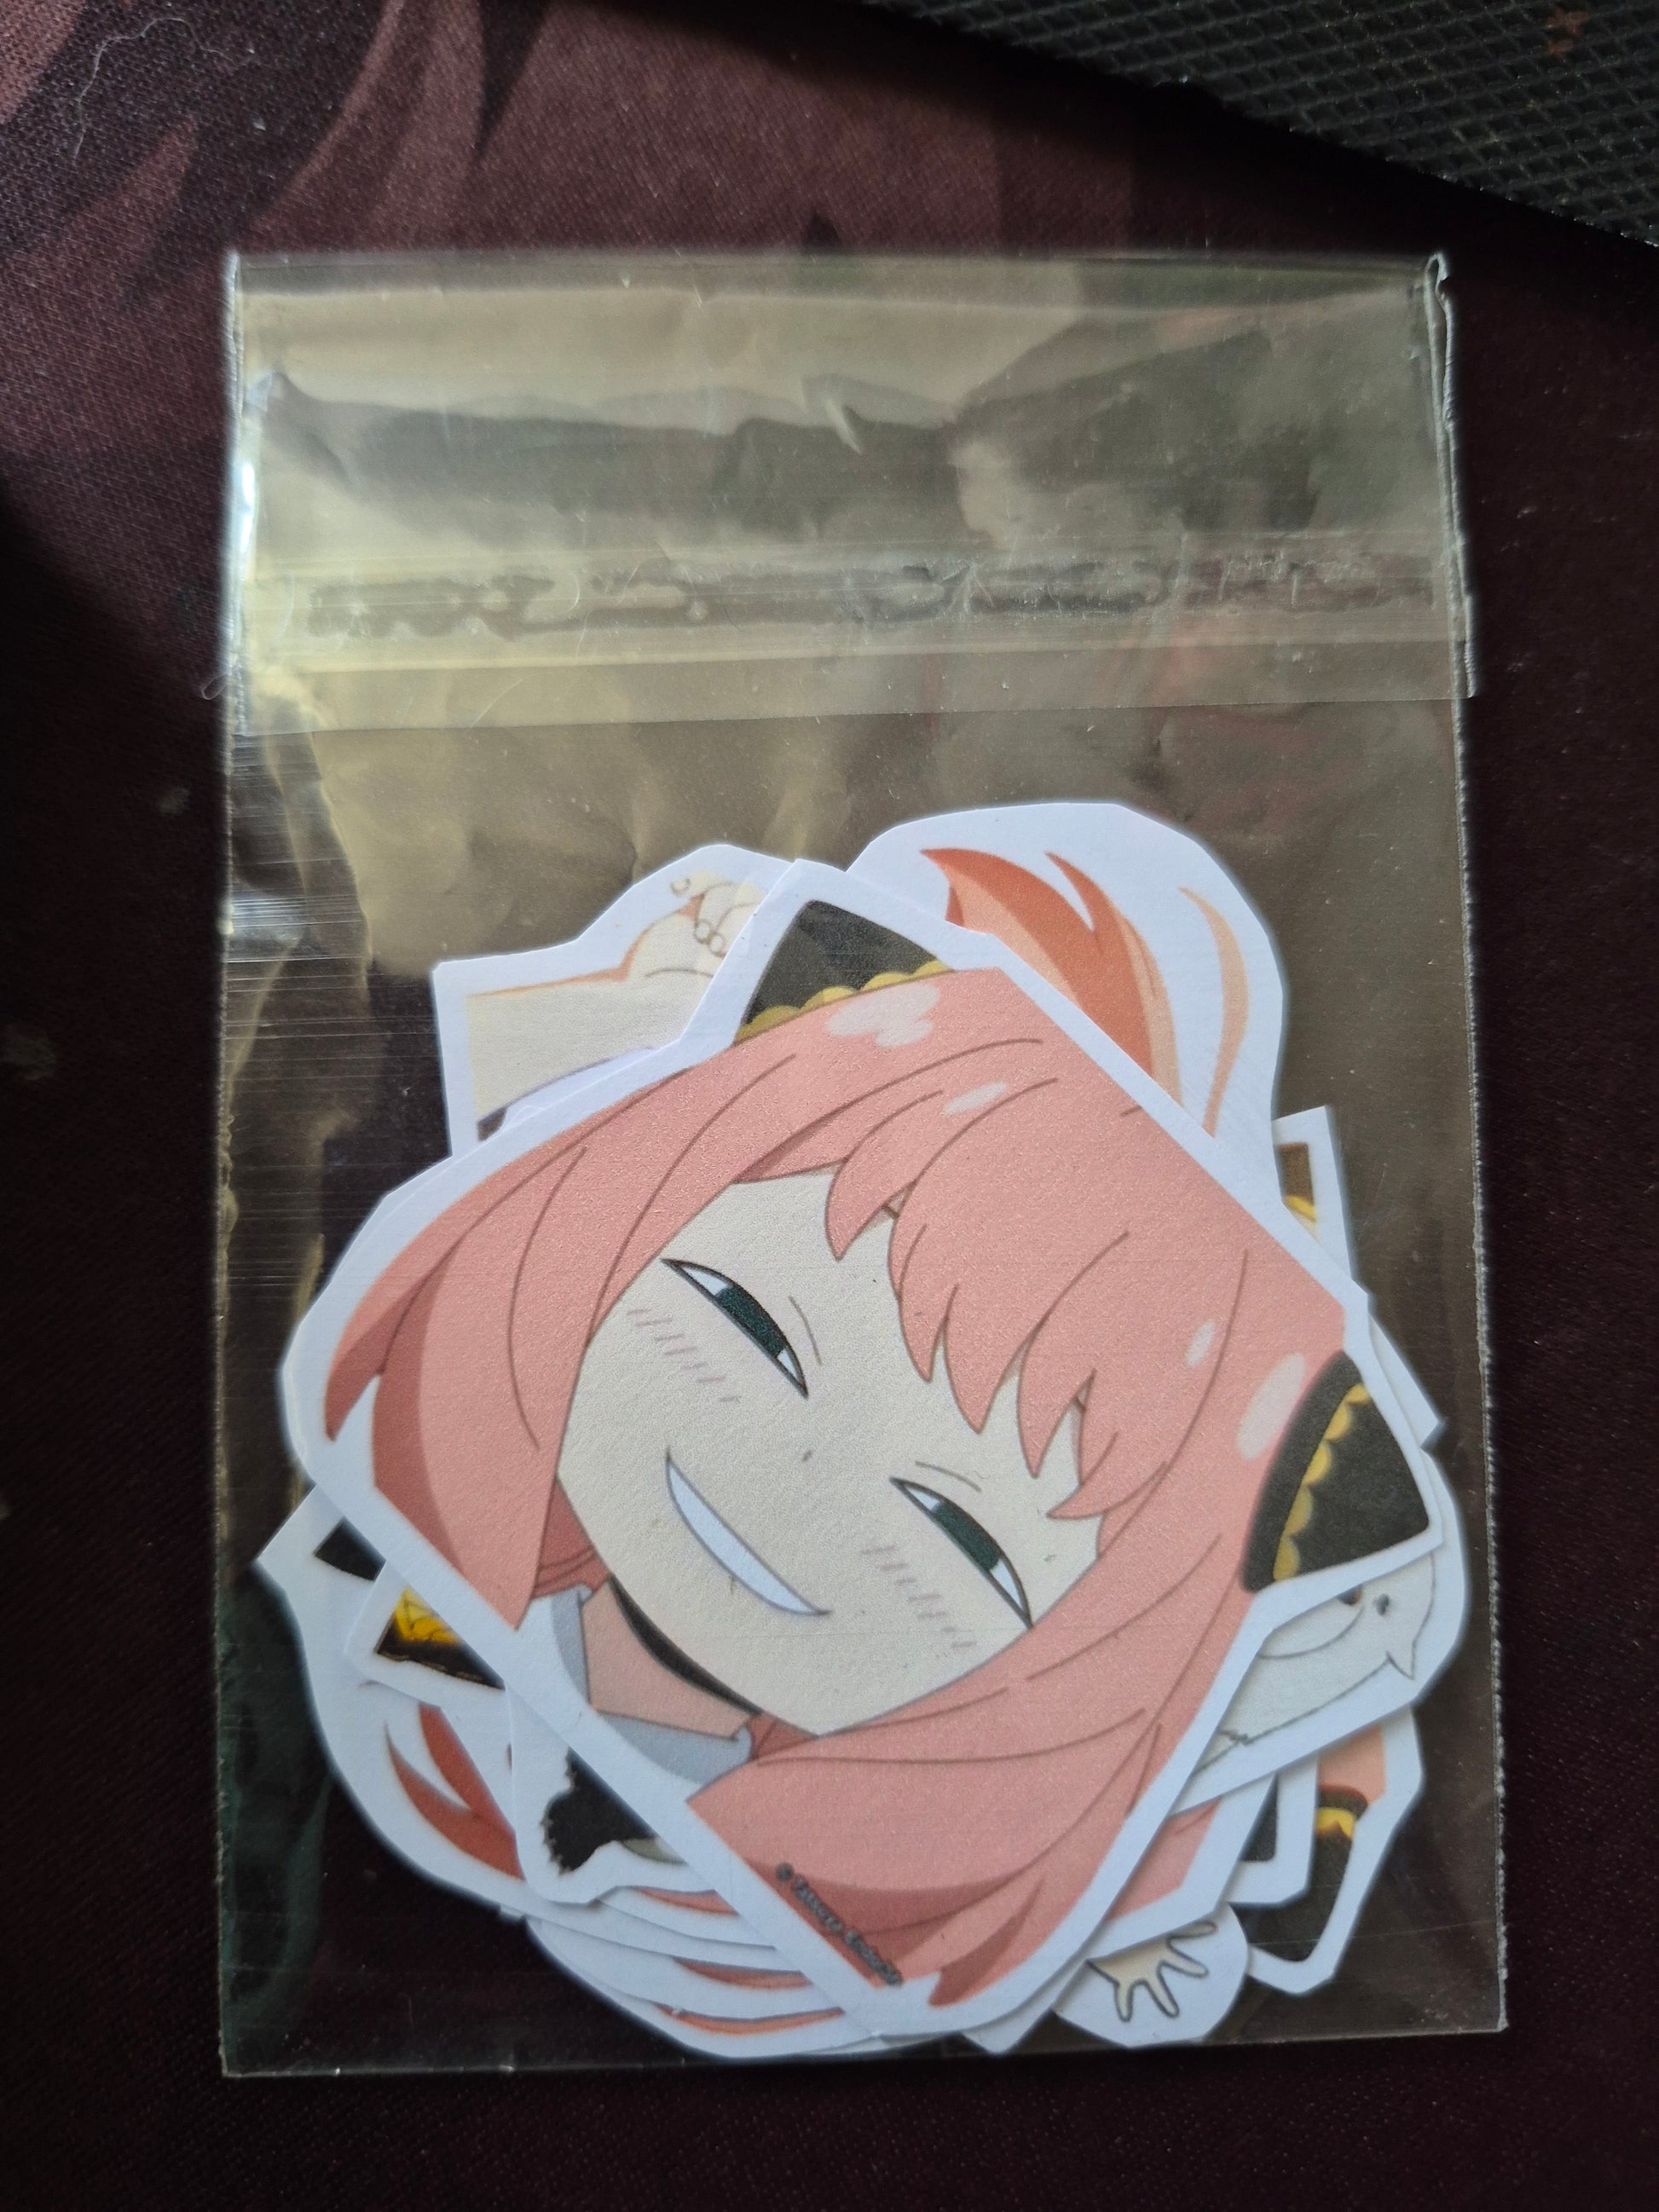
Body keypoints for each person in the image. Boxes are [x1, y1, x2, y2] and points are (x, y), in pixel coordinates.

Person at [315, 861, 1424, 2010]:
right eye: (749, 1323)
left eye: (960, 1528)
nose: (807, 1474)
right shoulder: (388, 1582)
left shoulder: (846, 1915)